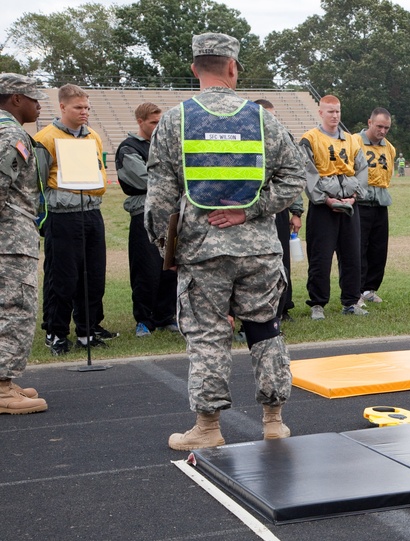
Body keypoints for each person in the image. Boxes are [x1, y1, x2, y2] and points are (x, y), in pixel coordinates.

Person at [145, 33, 307, 450]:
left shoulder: (175, 119)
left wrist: (169, 247)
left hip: (203, 249)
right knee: (265, 330)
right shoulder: (262, 119)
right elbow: (294, 179)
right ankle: (274, 419)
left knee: (208, 336)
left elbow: (161, 196)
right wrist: (250, 211)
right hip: (259, 250)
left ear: (195, 68)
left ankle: (207, 427)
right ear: (232, 68)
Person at [35, 84, 117, 354]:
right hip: (63, 216)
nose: (84, 112)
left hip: (91, 212)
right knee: (62, 277)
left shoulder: (92, 135)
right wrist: (43, 218)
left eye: (87, 107)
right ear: (62, 107)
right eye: (78, 108)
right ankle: (56, 332)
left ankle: (87, 329)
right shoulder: (46, 137)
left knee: (94, 275)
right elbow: (38, 181)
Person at [0, 73, 49, 414]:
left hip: (10, 236)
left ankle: (5, 379)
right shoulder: (10, 133)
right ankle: (2, 387)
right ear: (16, 98)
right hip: (9, 238)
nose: (38, 104)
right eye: (33, 97)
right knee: (13, 308)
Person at [300, 95, 368, 318]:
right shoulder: (310, 139)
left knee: (352, 255)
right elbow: (308, 174)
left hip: (349, 205)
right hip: (323, 207)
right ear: (320, 113)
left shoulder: (351, 140)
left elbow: (361, 169)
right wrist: (325, 199)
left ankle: (350, 301)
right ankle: (317, 303)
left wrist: (355, 196)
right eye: (330, 111)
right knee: (321, 256)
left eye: (338, 111)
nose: (335, 115)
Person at [116, 102, 178, 337]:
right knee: (146, 269)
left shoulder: (166, 145)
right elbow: (144, 180)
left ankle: (166, 316)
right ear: (140, 121)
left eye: (160, 121)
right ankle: (144, 319)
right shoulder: (128, 148)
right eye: (153, 122)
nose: (158, 126)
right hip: (144, 213)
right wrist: (170, 180)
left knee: (170, 267)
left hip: (171, 214)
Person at [254, 98, 303, 322]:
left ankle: (283, 307)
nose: (270, 119)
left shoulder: (284, 139)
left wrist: (296, 211)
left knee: (282, 259)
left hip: (279, 208)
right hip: (252, 213)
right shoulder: (247, 139)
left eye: (273, 114)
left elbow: (293, 178)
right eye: (266, 114)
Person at [354, 107, 396, 304]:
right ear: (369, 122)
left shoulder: (389, 147)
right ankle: (356, 289)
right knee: (358, 248)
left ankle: (370, 289)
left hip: (380, 202)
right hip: (360, 202)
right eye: (379, 126)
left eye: (386, 127)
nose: (383, 131)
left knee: (379, 248)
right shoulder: (354, 141)